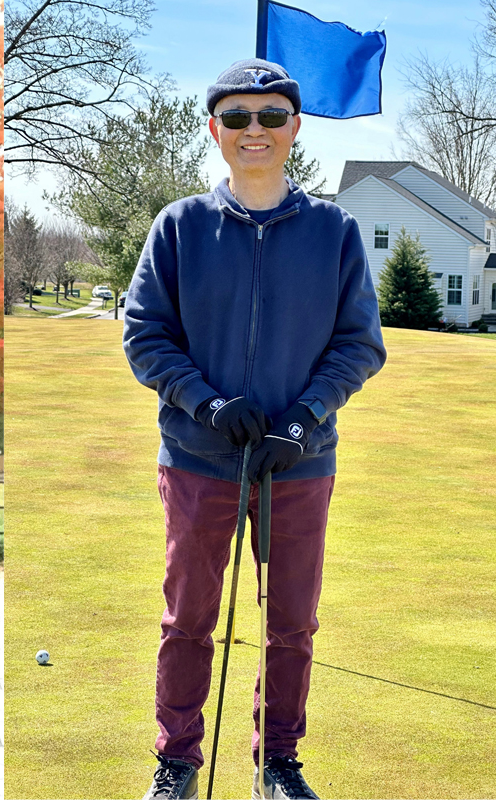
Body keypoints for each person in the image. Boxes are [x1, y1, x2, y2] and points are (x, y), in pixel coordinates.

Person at [123, 59, 386, 799]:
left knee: (292, 625)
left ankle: (278, 761)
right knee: (188, 620)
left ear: (295, 128)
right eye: (238, 117)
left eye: (271, 116)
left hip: (300, 464)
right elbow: (145, 334)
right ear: (215, 129)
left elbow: (359, 343)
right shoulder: (178, 227)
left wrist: (303, 421)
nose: (255, 131)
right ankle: (176, 761)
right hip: (199, 459)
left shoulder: (335, 230)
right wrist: (205, 403)